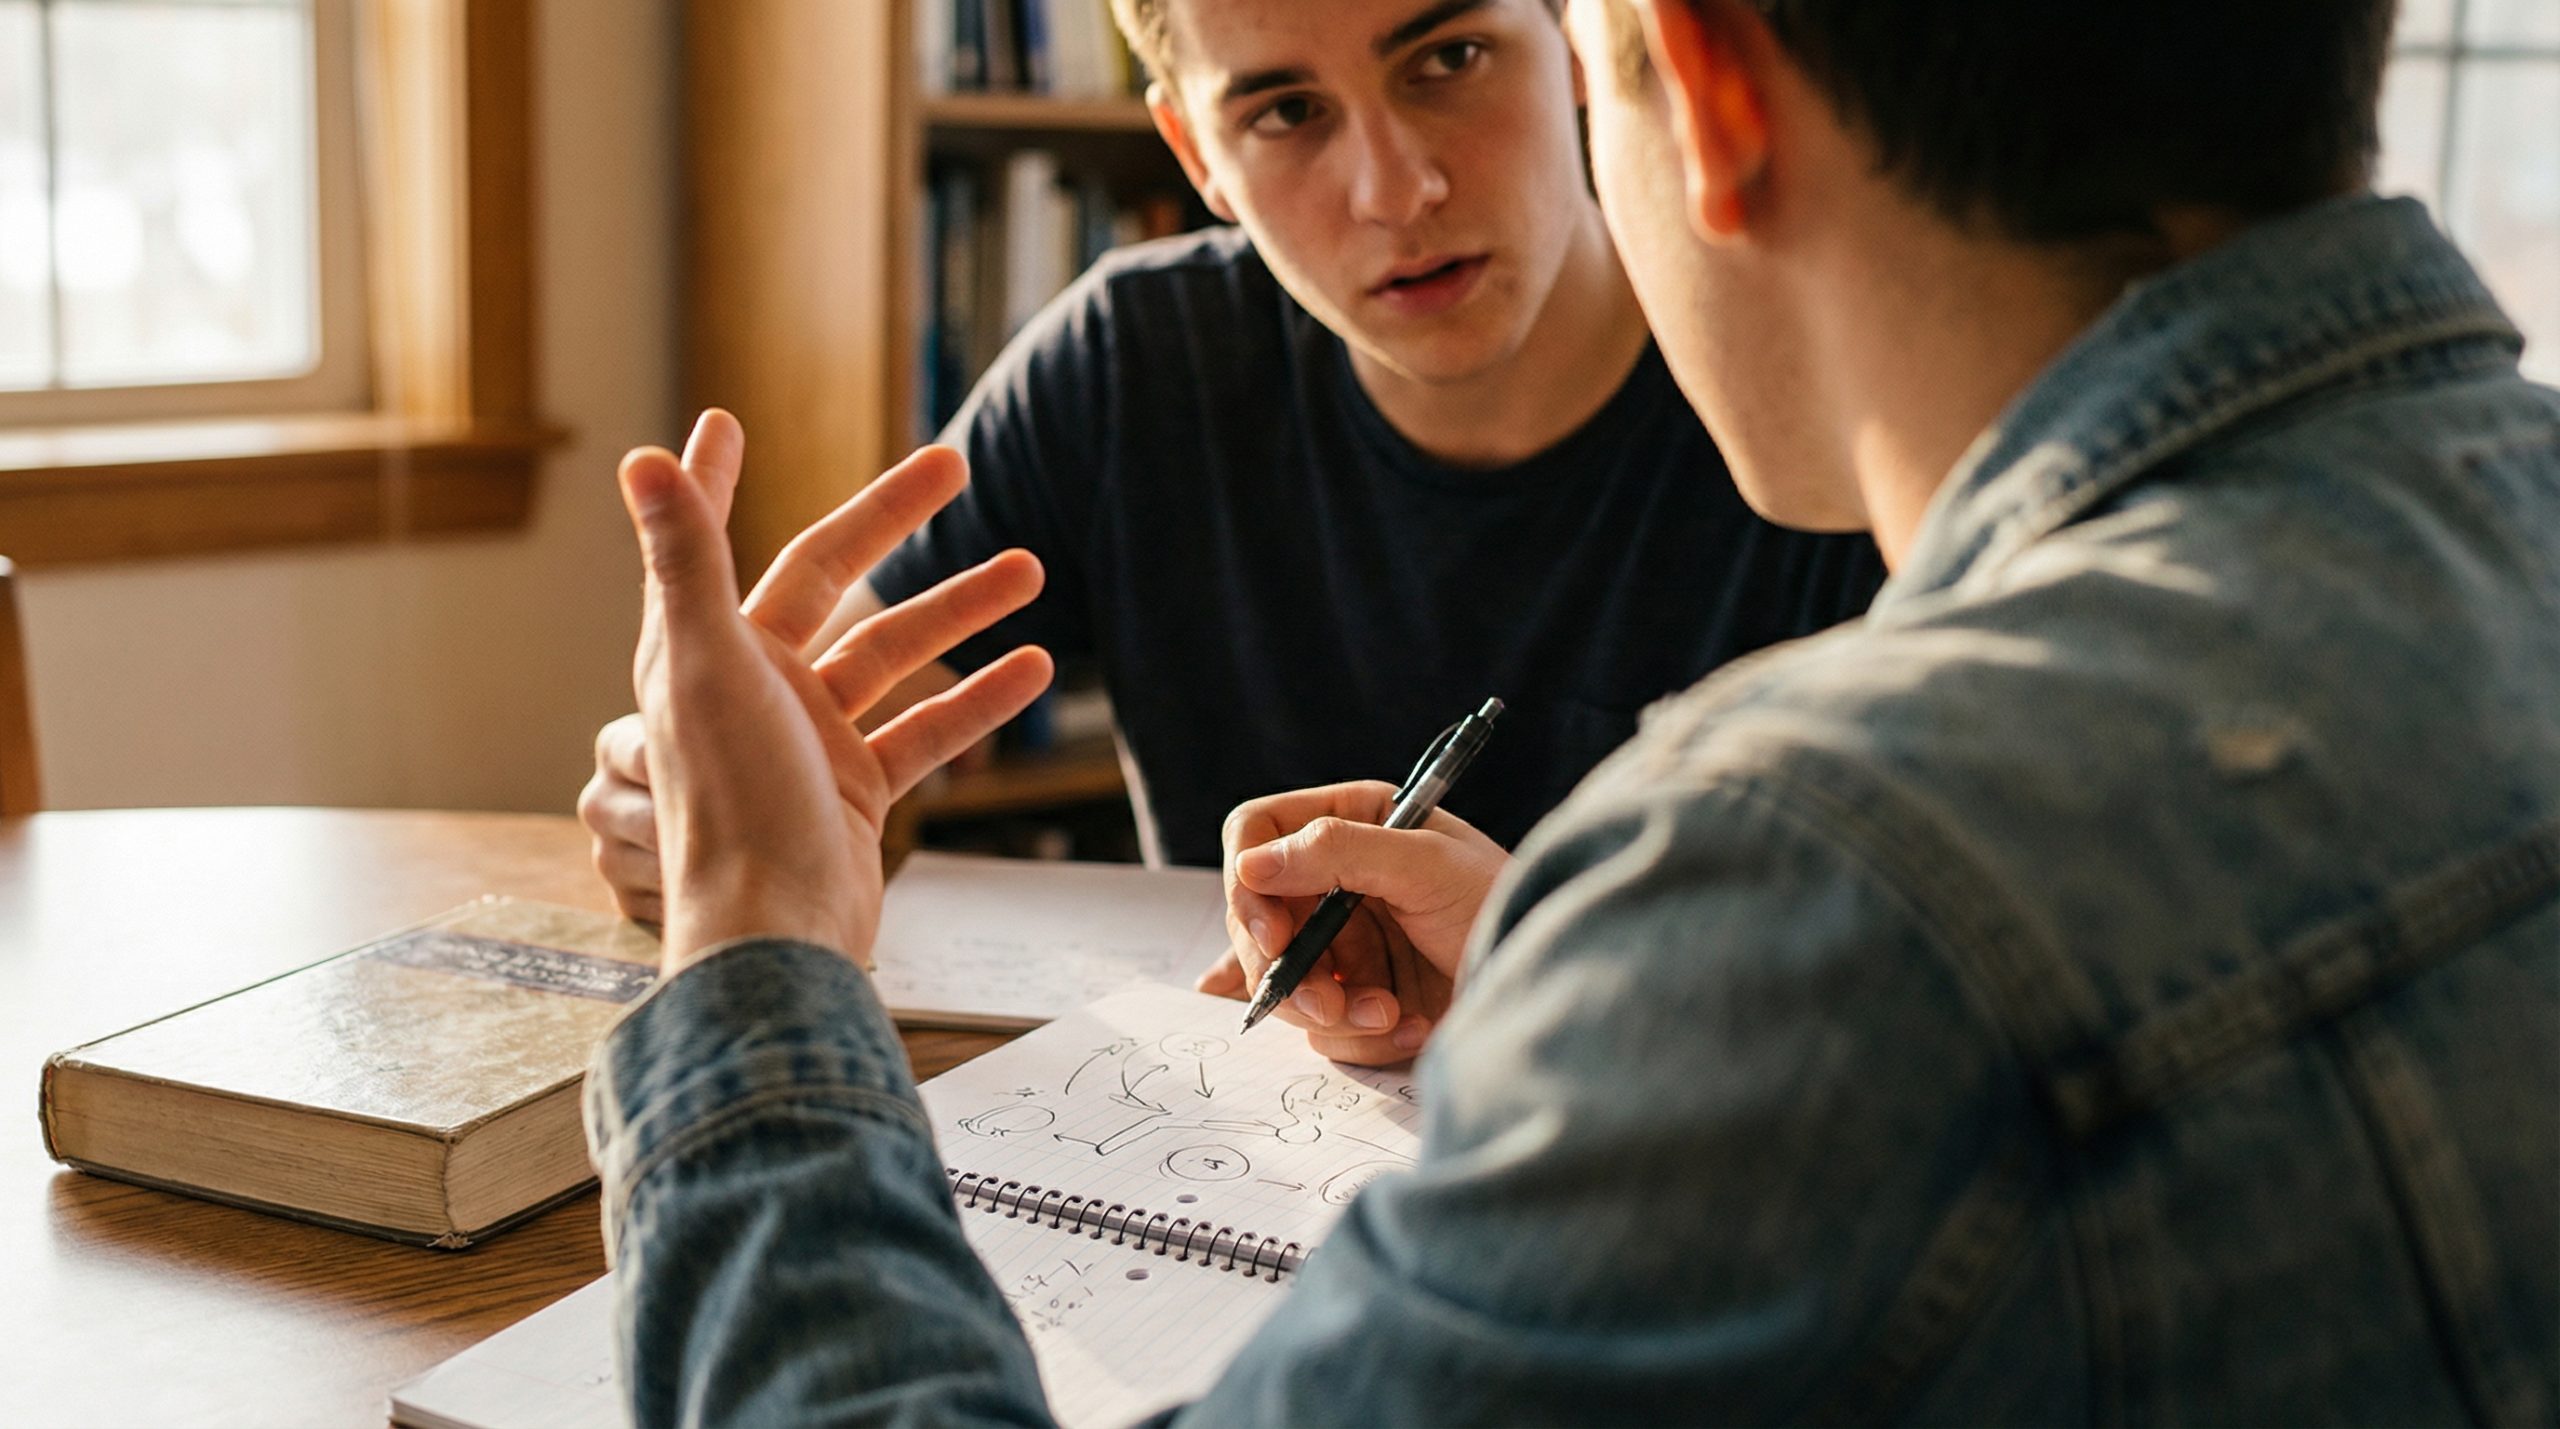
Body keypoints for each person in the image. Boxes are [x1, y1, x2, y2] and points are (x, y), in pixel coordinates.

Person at [587, 0, 2560, 1421]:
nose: (1396, 183)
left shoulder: (1833, 893)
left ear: (1688, 81)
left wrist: (756, 945)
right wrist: (1563, 957)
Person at [575, 0, 1884, 915]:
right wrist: (701, 802)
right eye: (1287, 113)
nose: (1392, 190)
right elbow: (802, 727)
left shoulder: (1811, 387)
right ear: (1198, 154)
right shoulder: (1138, 360)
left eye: (1450, 57)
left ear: (1582, 37)